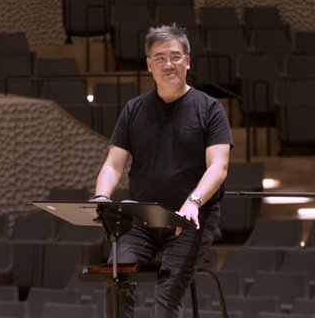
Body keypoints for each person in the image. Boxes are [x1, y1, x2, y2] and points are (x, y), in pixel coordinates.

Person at [92, 23, 233, 318]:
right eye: (160, 58)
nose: (168, 64)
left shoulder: (210, 109)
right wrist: (102, 198)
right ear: (149, 65)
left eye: (176, 56)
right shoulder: (133, 110)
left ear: (188, 61)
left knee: (167, 294)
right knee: (115, 277)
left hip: (191, 221)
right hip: (142, 219)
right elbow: (112, 164)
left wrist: (193, 202)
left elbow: (218, 166)